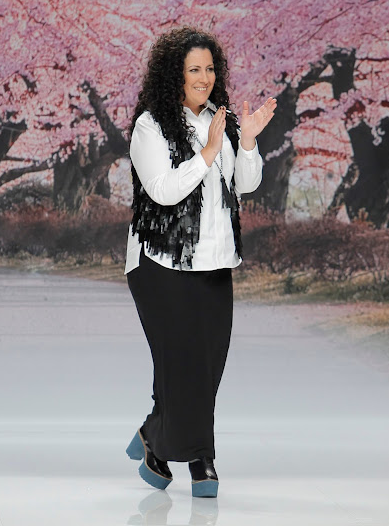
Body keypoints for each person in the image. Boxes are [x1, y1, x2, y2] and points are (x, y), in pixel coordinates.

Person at [124, 26, 276, 498]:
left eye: (210, 68)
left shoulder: (222, 119)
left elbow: (244, 185)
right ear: (175, 73)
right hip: (160, 263)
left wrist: (245, 141)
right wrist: (208, 152)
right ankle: (201, 459)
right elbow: (163, 191)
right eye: (194, 69)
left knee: (208, 363)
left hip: (214, 261)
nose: (205, 77)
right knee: (183, 362)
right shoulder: (150, 125)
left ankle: (156, 432)